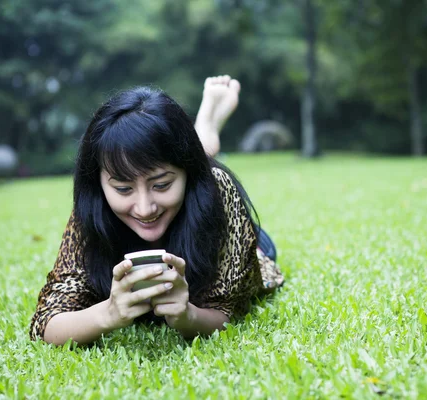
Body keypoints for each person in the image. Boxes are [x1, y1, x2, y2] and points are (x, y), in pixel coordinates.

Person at [29, 75, 284, 345]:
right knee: (166, 161)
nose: (144, 208)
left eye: (162, 185)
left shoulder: (217, 191)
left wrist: (188, 316)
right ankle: (202, 134)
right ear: (99, 182)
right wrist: (108, 313)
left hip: (238, 238)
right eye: (124, 189)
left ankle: (206, 129)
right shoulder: (95, 205)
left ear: (187, 174)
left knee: (252, 241)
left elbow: (228, 312)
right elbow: (45, 323)